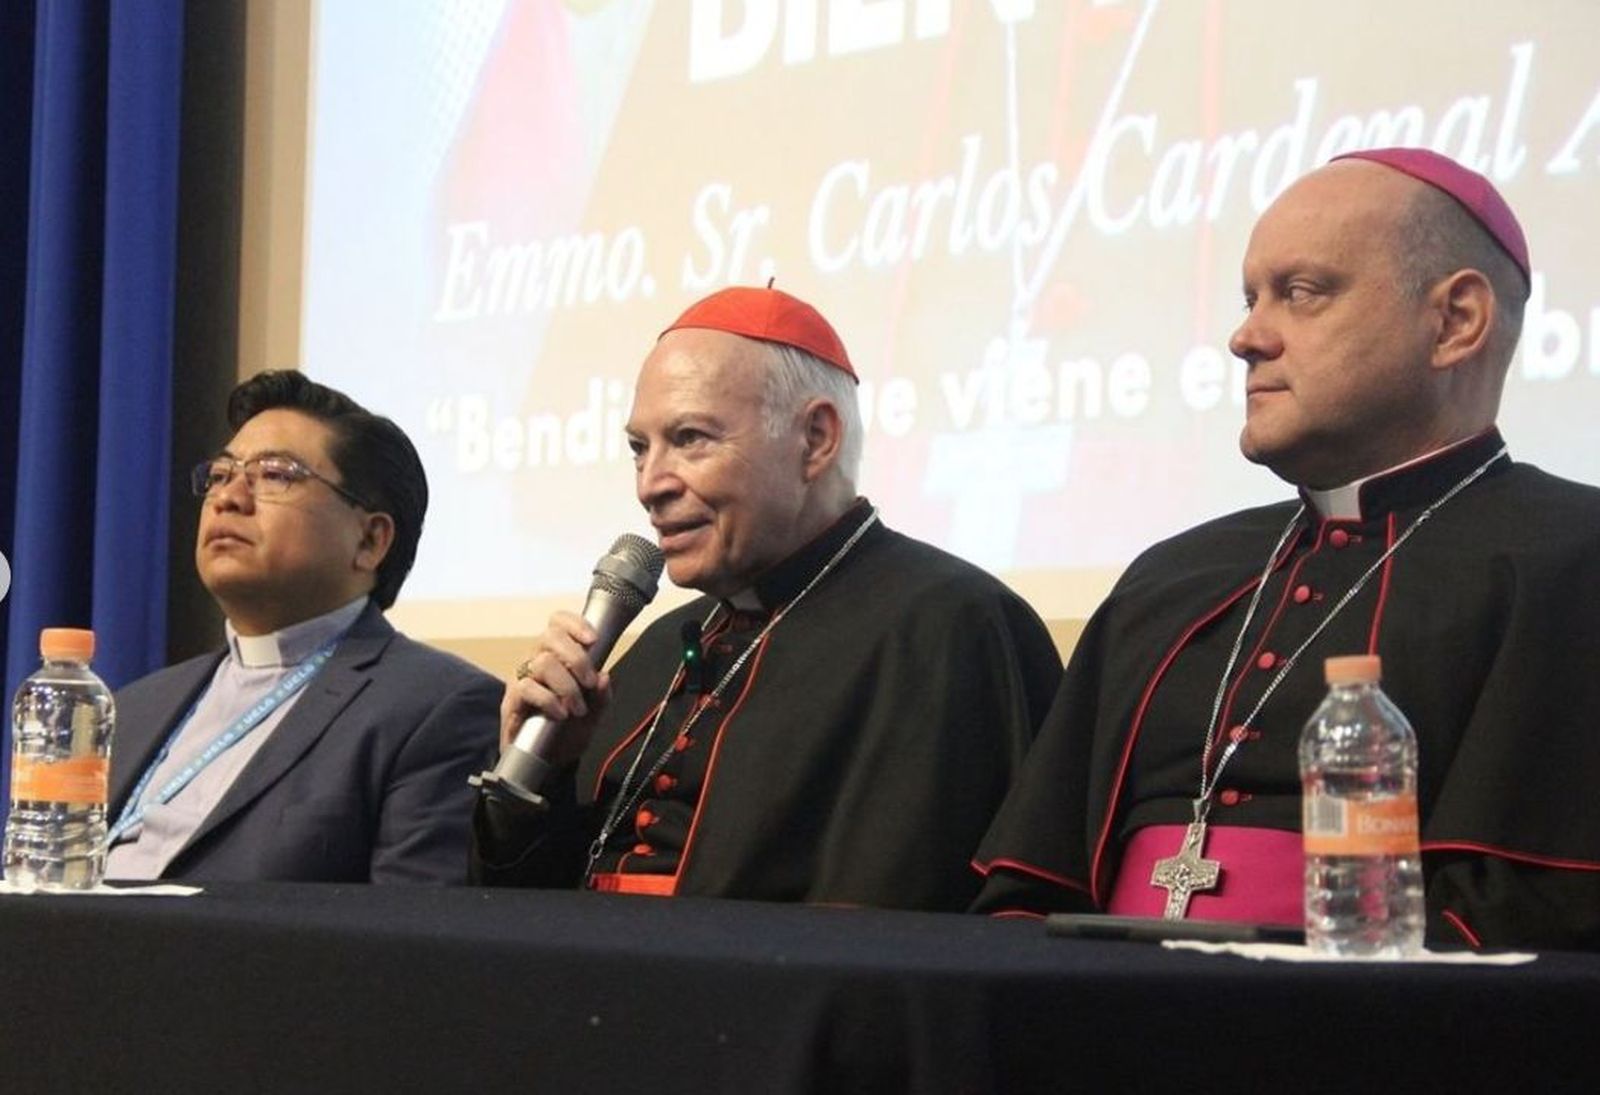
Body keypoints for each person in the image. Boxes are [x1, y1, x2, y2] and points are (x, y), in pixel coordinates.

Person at [972, 148, 1600, 950]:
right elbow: (1033, 884)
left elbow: (1535, 912)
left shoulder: (1574, 560)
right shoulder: (1172, 576)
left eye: (1302, 293)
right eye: (1249, 297)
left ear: (1455, 322)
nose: (1246, 337)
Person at [472, 285, 1062, 911]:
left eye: (691, 438)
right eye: (639, 448)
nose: (650, 485)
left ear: (815, 439)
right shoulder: (655, 651)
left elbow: (893, 929)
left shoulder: (950, 629)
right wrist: (541, 774)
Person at [105, 371, 501, 883]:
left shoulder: (434, 709)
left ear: (370, 541)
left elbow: (408, 944)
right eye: (221, 475)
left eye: (275, 474)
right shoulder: (132, 709)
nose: (228, 497)